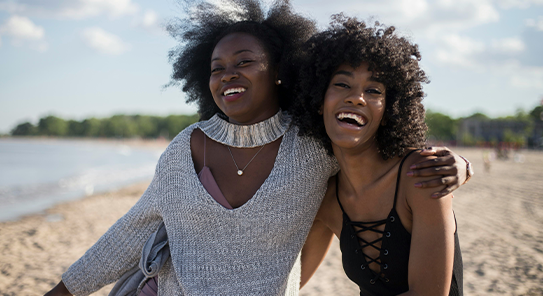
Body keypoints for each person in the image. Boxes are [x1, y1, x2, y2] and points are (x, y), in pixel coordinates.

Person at [45, 2, 469, 295]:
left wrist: (462, 164)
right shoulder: (184, 149)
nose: (229, 74)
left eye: (245, 61)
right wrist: (63, 289)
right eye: (217, 68)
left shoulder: (312, 147)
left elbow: (372, 151)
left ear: (281, 72)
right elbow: (130, 231)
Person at [294, 16, 463, 295]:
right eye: (342, 84)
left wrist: (465, 166)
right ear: (317, 101)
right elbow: (287, 281)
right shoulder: (326, 198)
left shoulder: (421, 175)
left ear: (389, 112)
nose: (356, 97)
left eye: (373, 90)